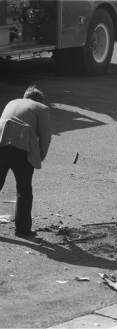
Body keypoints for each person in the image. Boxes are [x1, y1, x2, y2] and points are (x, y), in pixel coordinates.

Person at [0, 86, 51, 237]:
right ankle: (22, 229)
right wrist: (40, 155)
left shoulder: (12, 102)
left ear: (25, 97)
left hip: (1, 143)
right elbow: (45, 136)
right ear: (39, 99)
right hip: (20, 148)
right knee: (24, 189)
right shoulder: (42, 108)